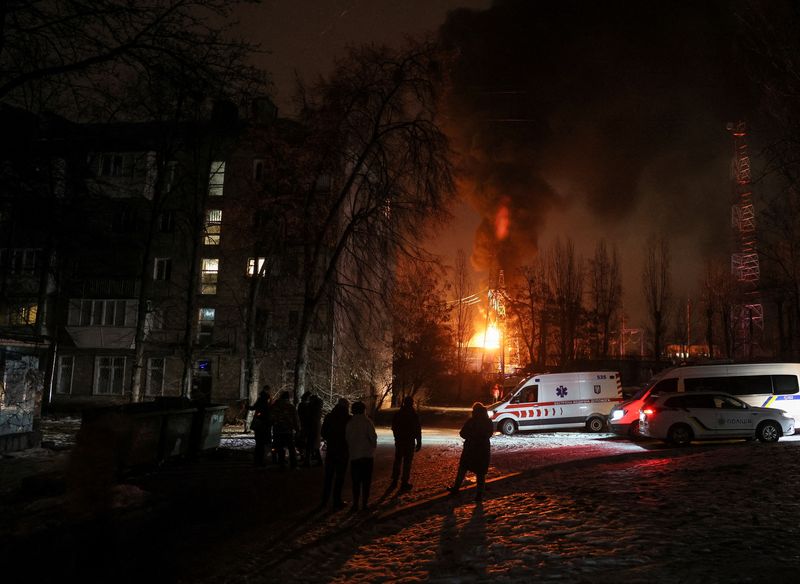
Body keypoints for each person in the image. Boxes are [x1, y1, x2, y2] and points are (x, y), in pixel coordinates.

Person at [448, 402, 495, 501]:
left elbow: (462, 433)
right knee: (480, 473)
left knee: (463, 469)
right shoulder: (488, 422)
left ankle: (456, 488)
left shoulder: (471, 421)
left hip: (470, 449)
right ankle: (479, 494)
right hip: (483, 449)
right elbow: (489, 434)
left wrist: (471, 437)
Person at [345, 400, 377, 512]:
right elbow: (373, 438)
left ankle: (355, 503)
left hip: (355, 456)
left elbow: (347, 438)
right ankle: (364, 504)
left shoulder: (350, 423)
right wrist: (372, 446)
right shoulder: (367, 422)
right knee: (366, 482)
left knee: (356, 482)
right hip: (367, 456)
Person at [320, 398, 351, 510]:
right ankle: (336, 500)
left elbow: (323, 432)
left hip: (332, 450)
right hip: (343, 450)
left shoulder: (329, 416)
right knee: (339, 477)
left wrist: (330, 438)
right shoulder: (348, 419)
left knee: (328, 476)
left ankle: (324, 500)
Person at [390, 396, 422, 492]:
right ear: (411, 403)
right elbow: (417, 429)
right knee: (407, 462)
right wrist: (419, 441)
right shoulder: (413, 415)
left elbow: (394, 427)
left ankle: (395, 480)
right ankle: (404, 482)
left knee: (398, 460)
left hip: (400, 441)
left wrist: (396, 437)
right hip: (409, 441)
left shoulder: (398, 414)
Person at [271, 391, 300, 469]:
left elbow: (271, 418)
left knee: (280, 448)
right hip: (288, 430)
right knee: (291, 448)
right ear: (288, 398)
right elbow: (295, 419)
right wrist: (297, 429)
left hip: (278, 430)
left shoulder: (275, 406)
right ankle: (294, 464)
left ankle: (282, 464)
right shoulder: (291, 407)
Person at [246, 386, 272, 466]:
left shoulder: (261, 400)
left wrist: (247, 407)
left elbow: (253, 408)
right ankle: (261, 460)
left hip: (258, 424)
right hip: (264, 425)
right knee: (263, 443)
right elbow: (267, 414)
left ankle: (258, 460)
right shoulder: (266, 402)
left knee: (259, 443)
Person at [298, 392, 323, 466]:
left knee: (309, 445)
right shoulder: (318, 407)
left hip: (311, 427)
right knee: (314, 445)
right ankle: (318, 460)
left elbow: (307, 417)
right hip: (316, 427)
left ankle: (307, 462)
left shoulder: (312, 407)